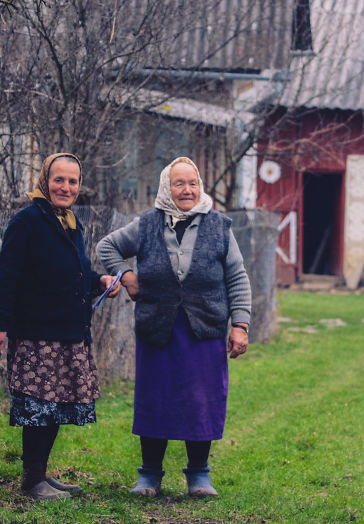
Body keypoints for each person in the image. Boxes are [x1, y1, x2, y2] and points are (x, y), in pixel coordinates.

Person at [96, 156, 250, 498]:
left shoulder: (219, 226)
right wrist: (127, 274)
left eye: (193, 183)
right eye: (179, 183)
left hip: (204, 328)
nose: (187, 190)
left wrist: (240, 324)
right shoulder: (147, 224)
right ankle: (149, 474)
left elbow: (237, 277)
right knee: (157, 398)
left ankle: (199, 474)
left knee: (202, 400)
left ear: (201, 186)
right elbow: (106, 246)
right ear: (167, 187)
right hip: (158, 328)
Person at [0, 152, 121, 500]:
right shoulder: (27, 221)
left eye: (72, 181)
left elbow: (73, 273)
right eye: (59, 179)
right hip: (37, 331)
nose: (66, 187)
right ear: (45, 180)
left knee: (56, 404)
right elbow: (5, 277)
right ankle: (32, 482)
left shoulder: (69, 222)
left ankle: (41, 476)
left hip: (67, 330)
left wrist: (100, 281)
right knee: (39, 407)